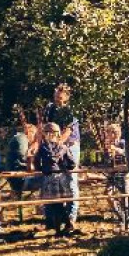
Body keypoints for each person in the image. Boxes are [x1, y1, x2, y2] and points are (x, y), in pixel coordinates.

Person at [45, 84, 80, 230]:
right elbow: (46, 127)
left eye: (60, 96)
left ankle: (71, 217)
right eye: (55, 95)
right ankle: (55, 218)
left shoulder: (69, 111)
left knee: (71, 179)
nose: (57, 98)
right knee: (54, 180)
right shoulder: (50, 109)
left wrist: (57, 144)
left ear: (67, 97)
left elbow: (67, 131)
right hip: (54, 144)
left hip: (70, 145)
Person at [35, 122, 76, 237]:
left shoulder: (43, 147)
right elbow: (72, 163)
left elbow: (36, 162)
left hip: (49, 177)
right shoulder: (63, 146)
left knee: (54, 204)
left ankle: (62, 227)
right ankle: (65, 226)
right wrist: (64, 167)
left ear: (45, 134)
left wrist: (42, 169)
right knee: (58, 204)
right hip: (62, 177)